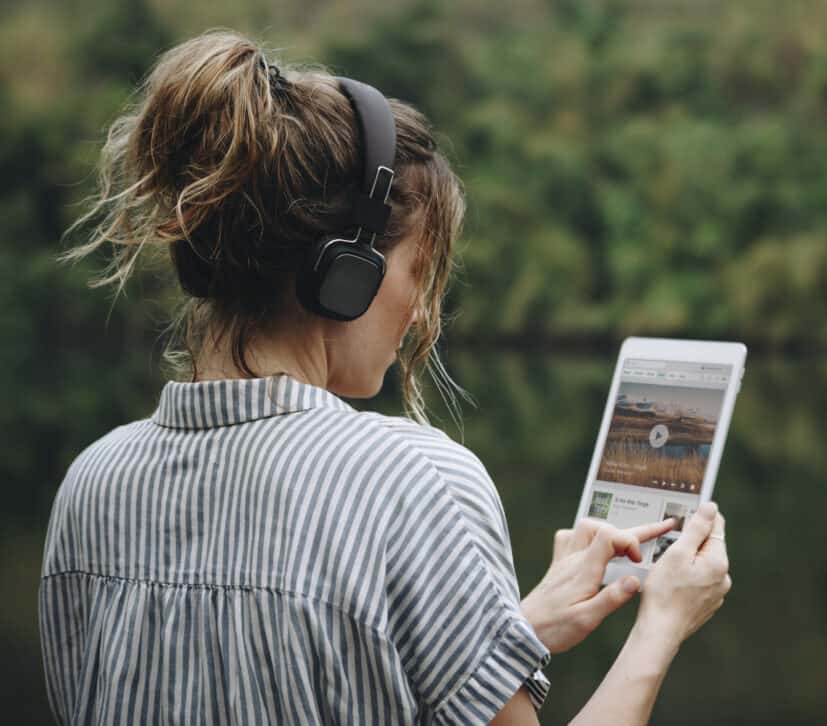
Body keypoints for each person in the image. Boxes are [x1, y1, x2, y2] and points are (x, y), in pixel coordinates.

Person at [40, 31, 731, 725]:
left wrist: (511, 633)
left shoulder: (92, 485)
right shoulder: (417, 482)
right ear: (347, 273)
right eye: (417, 273)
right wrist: (661, 625)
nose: (421, 311)